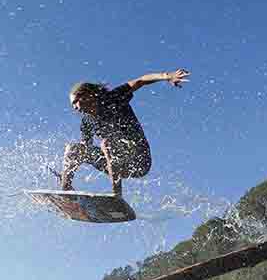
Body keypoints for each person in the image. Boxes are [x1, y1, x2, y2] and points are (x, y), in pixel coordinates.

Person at [59, 68, 190, 197]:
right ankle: (66, 190)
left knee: (106, 143)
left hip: (139, 161)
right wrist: (68, 169)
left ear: (88, 94)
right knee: (73, 149)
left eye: (76, 101)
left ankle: (116, 195)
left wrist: (167, 76)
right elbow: (84, 149)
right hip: (115, 165)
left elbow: (141, 81)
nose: (75, 107)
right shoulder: (87, 122)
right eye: (73, 105)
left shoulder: (114, 97)